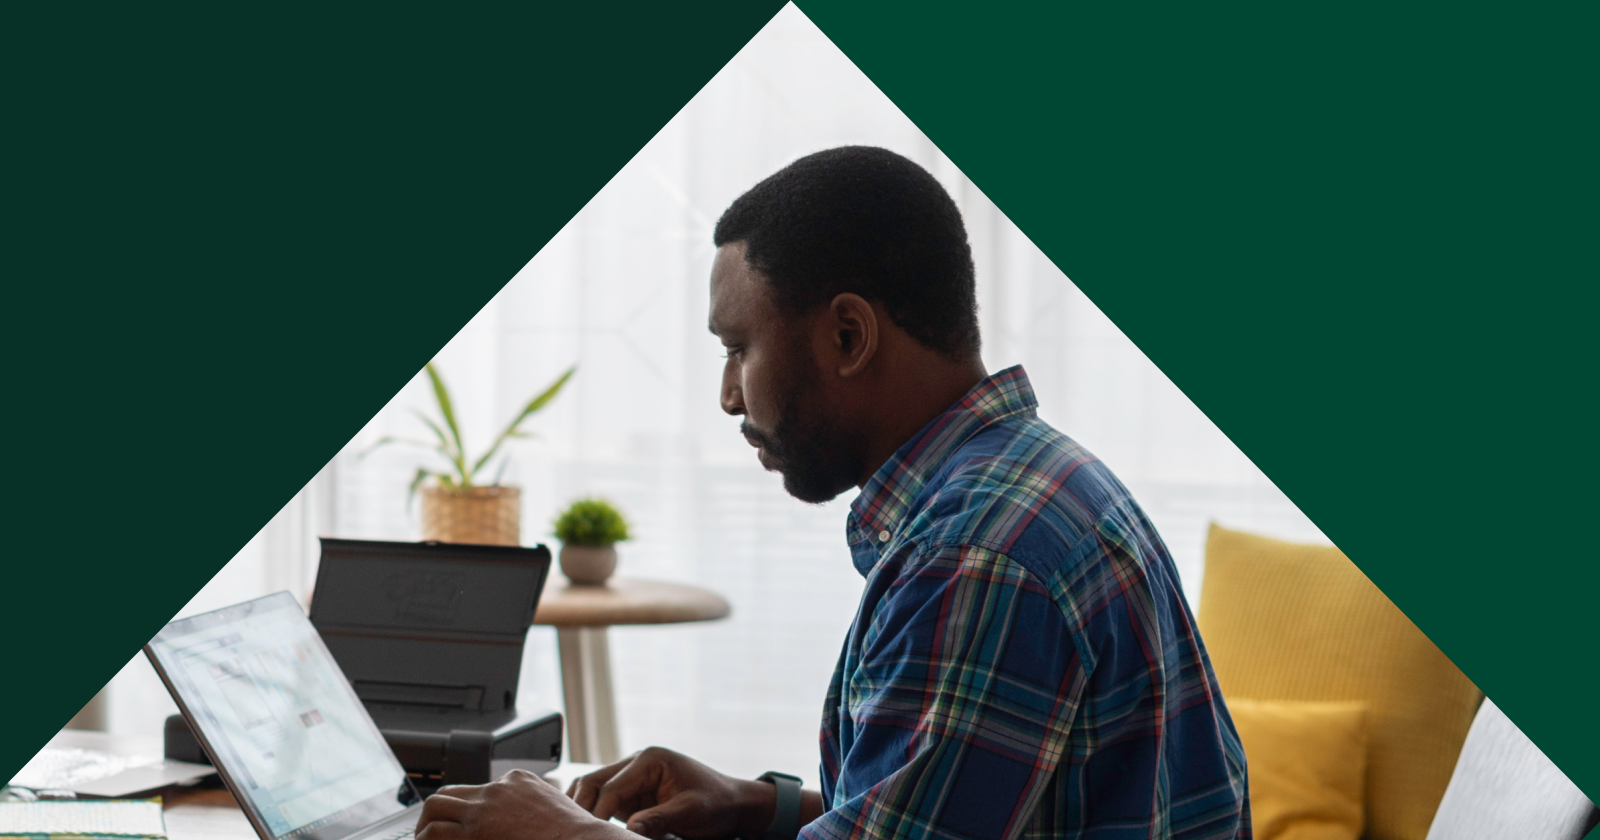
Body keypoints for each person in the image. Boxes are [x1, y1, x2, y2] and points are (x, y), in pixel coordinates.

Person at [414, 146, 1250, 840]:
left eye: (739, 349)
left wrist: (569, 835)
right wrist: (762, 806)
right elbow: (976, 812)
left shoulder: (978, 557)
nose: (730, 397)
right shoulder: (1035, 483)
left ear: (848, 335)